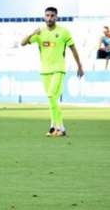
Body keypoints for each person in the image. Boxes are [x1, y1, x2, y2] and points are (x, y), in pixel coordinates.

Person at [20, 7, 85, 136]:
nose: (49, 18)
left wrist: (79, 66)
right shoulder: (39, 33)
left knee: (51, 95)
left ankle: (60, 127)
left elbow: (73, 49)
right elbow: (22, 43)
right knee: (52, 99)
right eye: (47, 15)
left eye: (52, 16)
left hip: (58, 70)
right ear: (44, 17)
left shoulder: (64, 32)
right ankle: (53, 126)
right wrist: (32, 33)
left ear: (57, 17)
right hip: (44, 71)